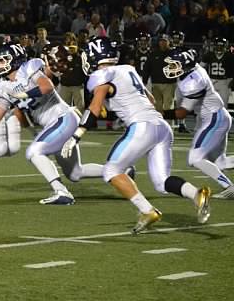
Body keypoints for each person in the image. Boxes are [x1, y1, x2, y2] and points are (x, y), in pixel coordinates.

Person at [61, 37, 211, 234]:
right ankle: (197, 194)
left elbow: (94, 109)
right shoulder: (128, 69)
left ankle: (147, 210)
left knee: (111, 171)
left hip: (141, 126)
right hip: (161, 126)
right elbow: (149, 99)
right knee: (161, 182)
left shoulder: (101, 75)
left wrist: (76, 136)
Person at [0, 43, 104, 204]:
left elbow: (46, 87)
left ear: (14, 59)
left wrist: (23, 94)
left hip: (63, 118)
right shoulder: (1, 86)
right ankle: (118, 171)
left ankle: (61, 192)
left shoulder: (28, 67)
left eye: (3, 60)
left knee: (34, 152)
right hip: (56, 125)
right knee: (75, 172)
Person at [163, 48, 234, 199]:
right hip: (217, 116)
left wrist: (160, 113)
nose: (171, 68)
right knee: (220, 163)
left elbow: (182, 113)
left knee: (195, 158)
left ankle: (229, 187)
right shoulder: (193, 70)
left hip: (215, 119)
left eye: (175, 65)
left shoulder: (193, 81)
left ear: (186, 65)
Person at [201, 37, 234, 106]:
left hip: (224, 82)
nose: (219, 48)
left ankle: (222, 117)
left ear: (225, 46)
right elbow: (200, 67)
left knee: (223, 105)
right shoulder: (209, 55)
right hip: (211, 81)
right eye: (218, 46)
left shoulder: (229, 56)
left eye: (221, 46)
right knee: (209, 104)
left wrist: (231, 80)